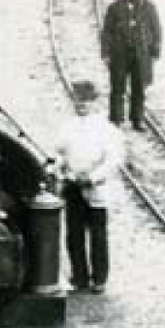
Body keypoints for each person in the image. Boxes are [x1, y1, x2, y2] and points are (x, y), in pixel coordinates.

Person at [56, 79, 121, 293]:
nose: (81, 105)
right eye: (78, 100)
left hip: (97, 189)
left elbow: (113, 160)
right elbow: (59, 153)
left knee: (98, 235)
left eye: (86, 101)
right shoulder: (68, 126)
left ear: (95, 102)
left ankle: (100, 278)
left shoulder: (106, 129)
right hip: (73, 185)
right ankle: (79, 276)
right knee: (74, 235)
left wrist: (93, 177)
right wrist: (63, 170)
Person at [101, 0, 162, 130]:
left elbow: (157, 31)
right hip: (119, 54)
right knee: (117, 87)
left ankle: (137, 120)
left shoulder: (149, 7)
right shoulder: (114, 7)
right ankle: (116, 119)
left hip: (141, 55)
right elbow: (106, 32)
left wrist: (155, 53)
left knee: (139, 89)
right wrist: (106, 53)